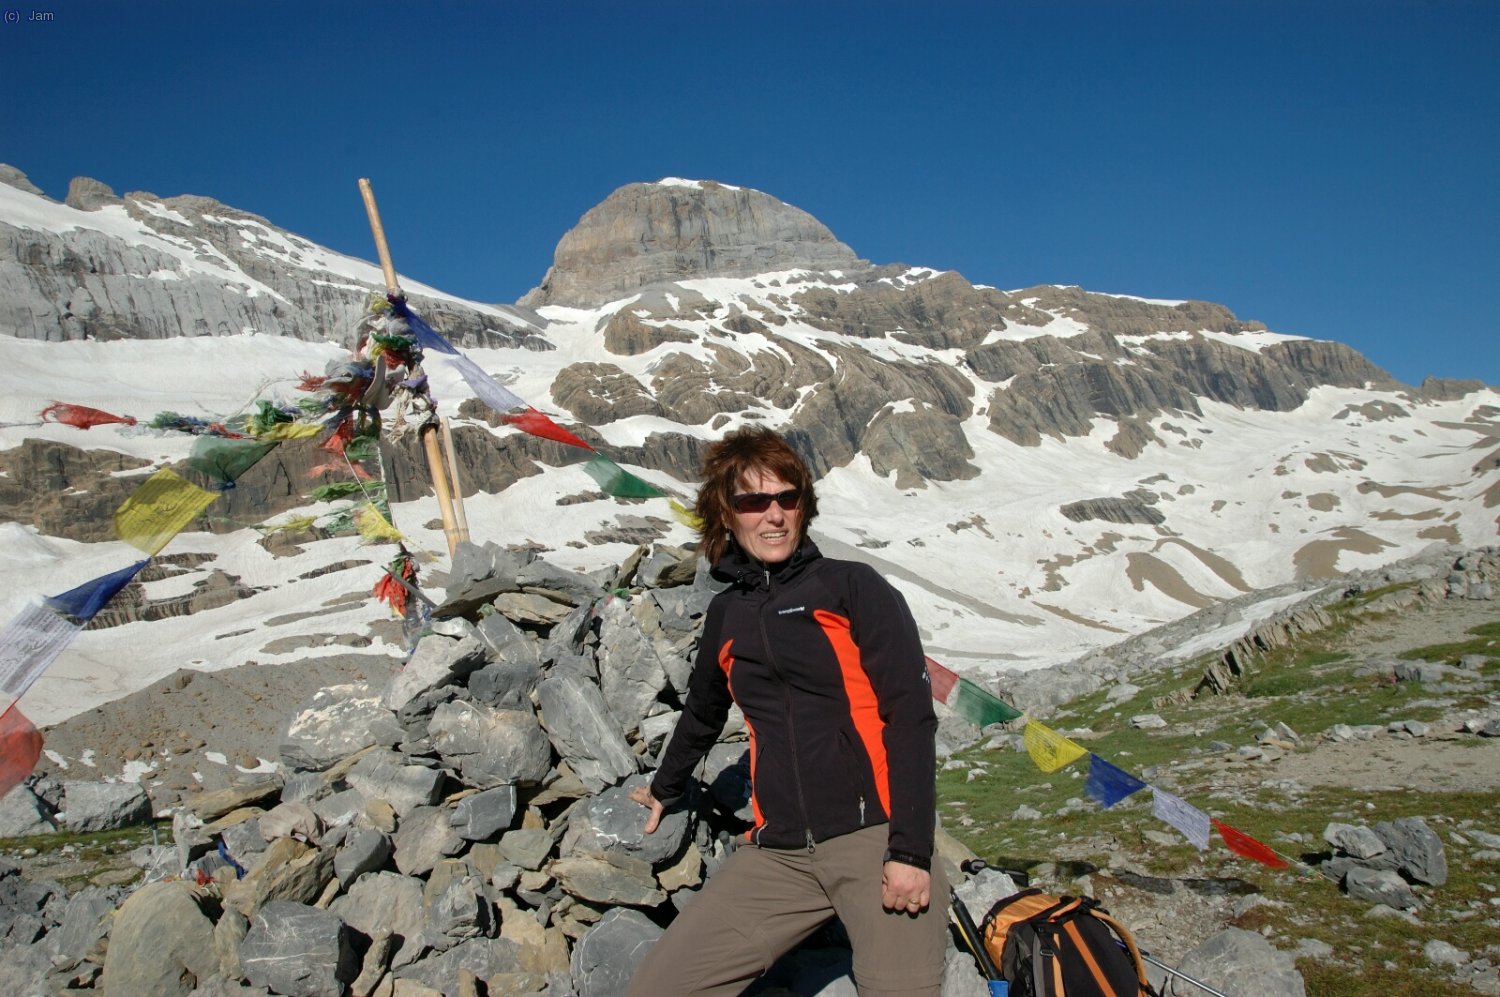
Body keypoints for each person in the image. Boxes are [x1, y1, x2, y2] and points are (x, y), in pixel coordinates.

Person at [627, 426, 948, 997]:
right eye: (754, 501)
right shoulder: (727, 616)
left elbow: (912, 716)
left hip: (873, 840)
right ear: (727, 515)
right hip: (779, 855)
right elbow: (702, 712)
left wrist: (910, 850)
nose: (774, 515)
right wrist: (665, 787)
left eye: (788, 498)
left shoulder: (851, 587)